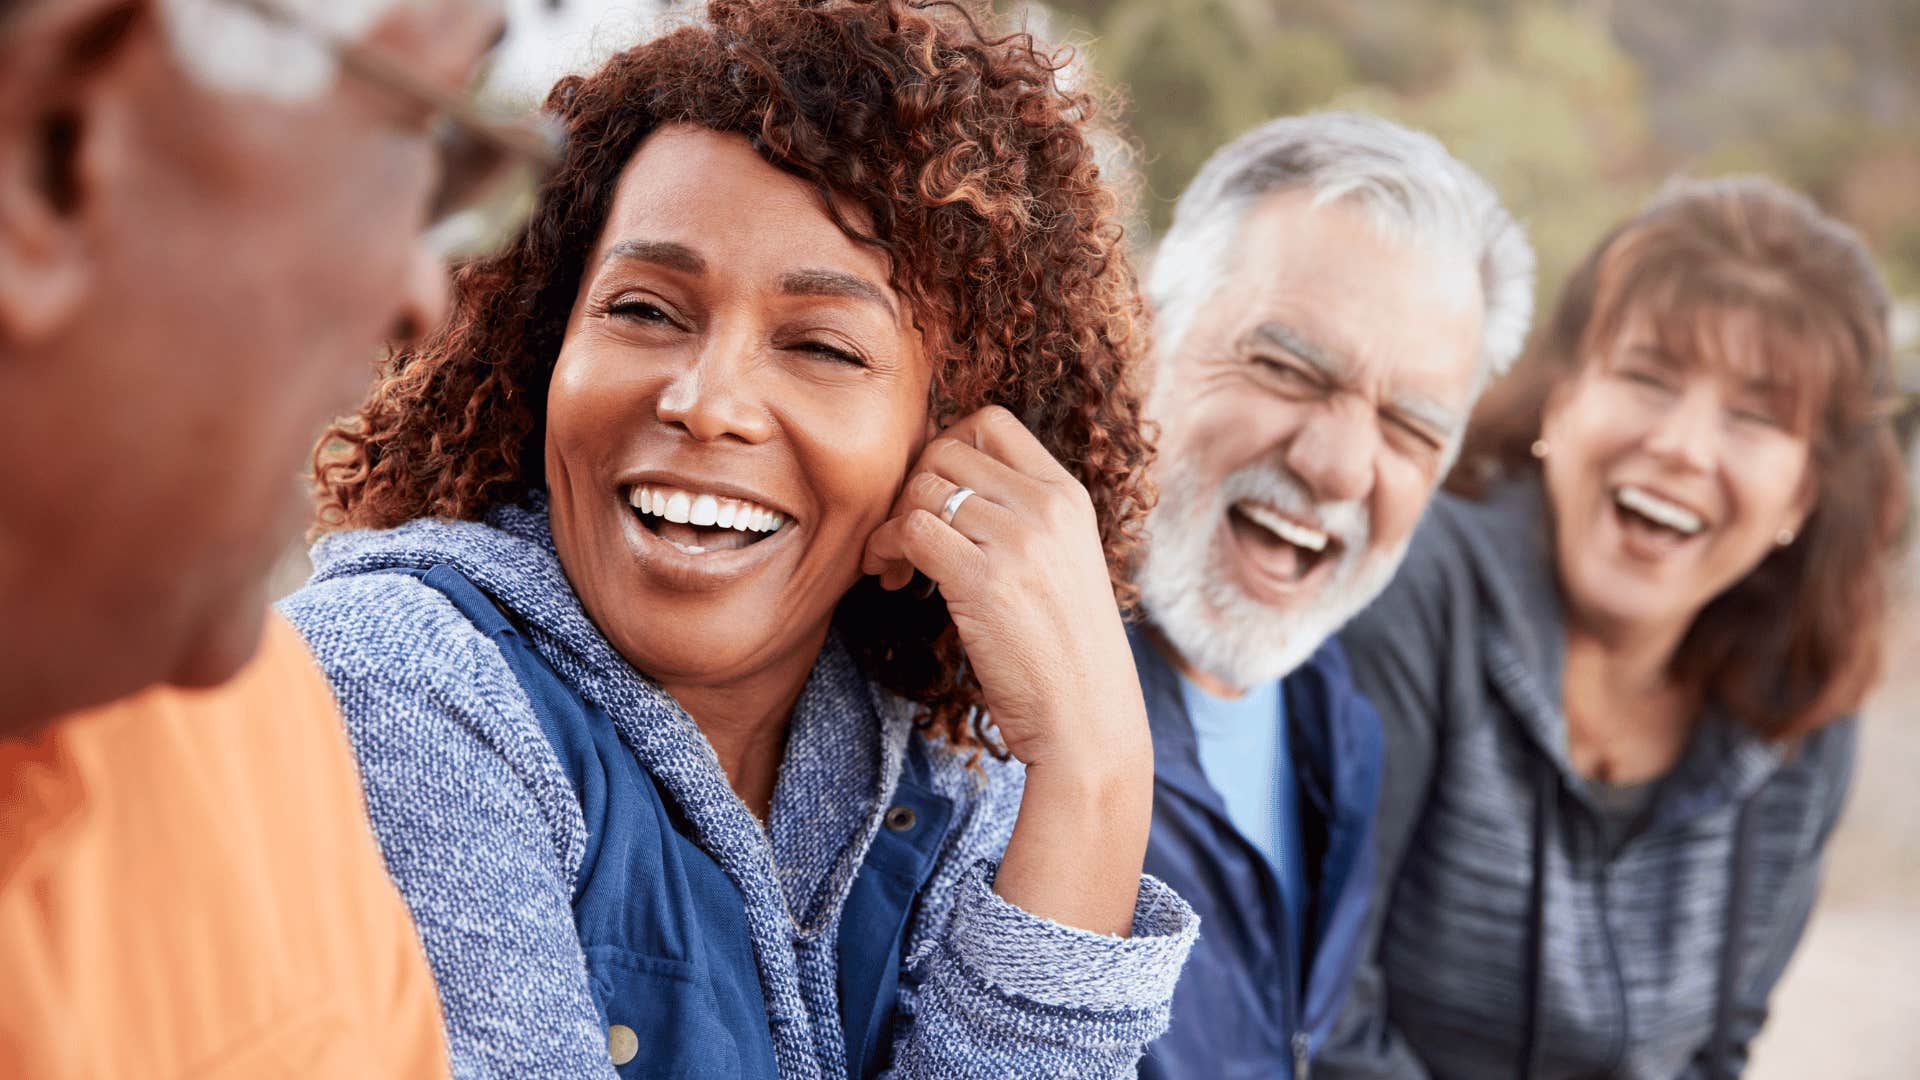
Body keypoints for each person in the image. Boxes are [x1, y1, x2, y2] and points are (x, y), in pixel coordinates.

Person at [279, 2, 1197, 1077]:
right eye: (646, 311)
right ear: (546, 353)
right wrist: (1092, 792)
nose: (708, 402)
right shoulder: (399, 680)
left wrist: (1092, 769)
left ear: (949, 457)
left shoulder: (952, 781)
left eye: (820, 346)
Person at [0, 0, 543, 1075]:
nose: (421, 294)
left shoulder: (265, 732)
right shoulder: (406, 671)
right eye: (416, 131)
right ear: (50, 152)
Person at [1323, 177, 1908, 1079]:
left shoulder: (1801, 711)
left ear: (1804, 491)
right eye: (1646, 377)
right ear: (1561, 400)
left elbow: (1721, 1047)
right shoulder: (1421, 590)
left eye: (1754, 417)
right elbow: (1326, 1013)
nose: (1682, 445)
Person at [1128, 112, 1536, 1080]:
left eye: (1410, 426)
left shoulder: (1336, 722)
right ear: (1144, 331)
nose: (1340, 466)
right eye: (1287, 369)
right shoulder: (983, 711)